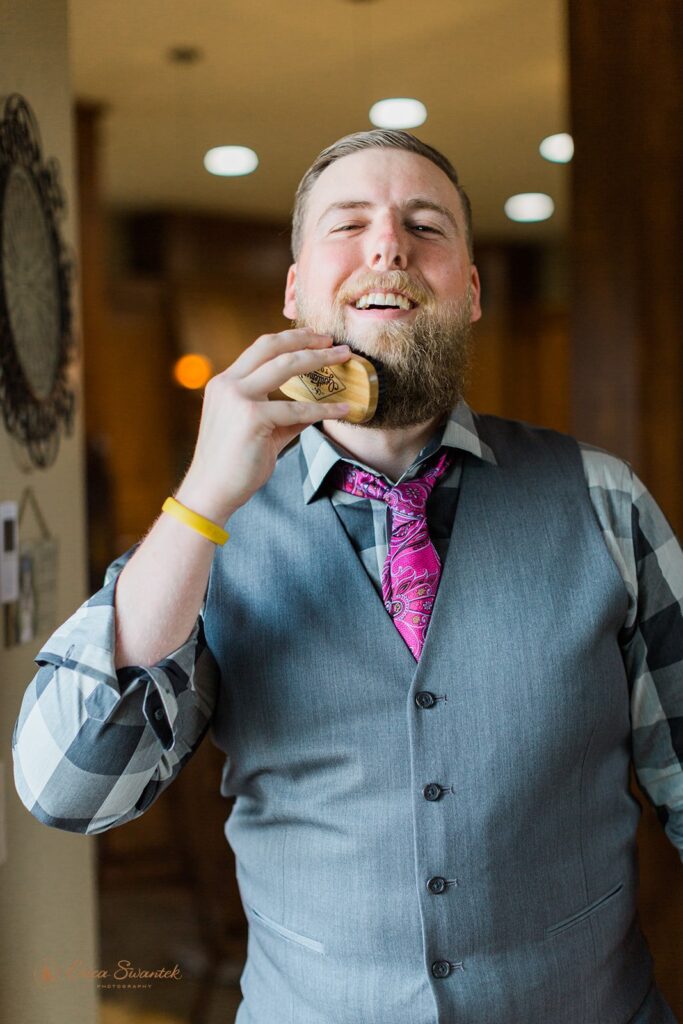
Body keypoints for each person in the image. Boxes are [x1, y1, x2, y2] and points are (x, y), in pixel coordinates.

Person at [12, 129, 683, 1024]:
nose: (388, 245)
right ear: (295, 291)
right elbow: (67, 788)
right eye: (349, 223)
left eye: (424, 225)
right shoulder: (205, 536)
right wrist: (204, 495)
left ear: (471, 291)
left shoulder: (605, 500)